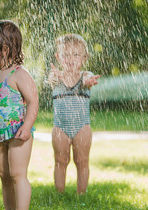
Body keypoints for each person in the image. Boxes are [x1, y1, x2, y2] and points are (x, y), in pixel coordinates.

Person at [0, 20, 38, 210]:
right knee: (4, 174)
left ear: (4, 50)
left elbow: (33, 101)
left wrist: (27, 126)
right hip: (0, 134)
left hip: (18, 134)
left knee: (17, 174)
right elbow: (1, 105)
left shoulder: (19, 74)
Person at [47, 34, 100, 194]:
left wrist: (89, 81)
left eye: (76, 55)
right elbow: (51, 81)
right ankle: (59, 193)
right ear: (58, 57)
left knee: (82, 161)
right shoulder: (56, 76)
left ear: (84, 57)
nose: (71, 59)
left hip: (82, 127)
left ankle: (81, 194)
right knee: (60, 161)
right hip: (60, 128)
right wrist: (53, 77)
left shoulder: (84, 75)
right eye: (65, 55)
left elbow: (88, 79)